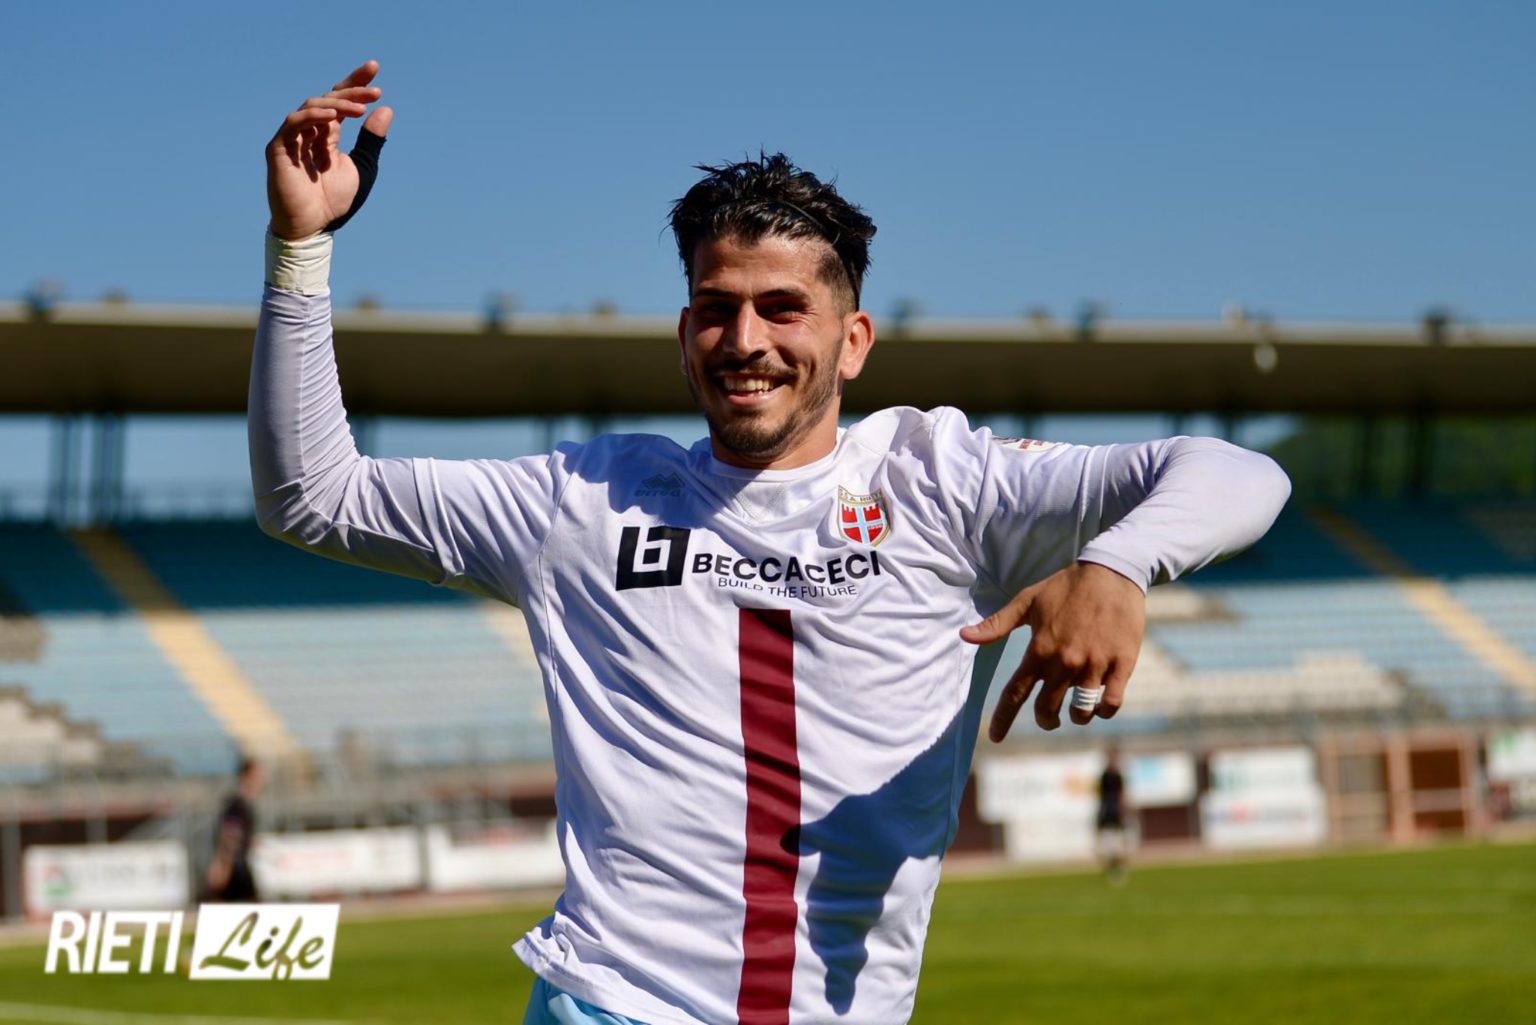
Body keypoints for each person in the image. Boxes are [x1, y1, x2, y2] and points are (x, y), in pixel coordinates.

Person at [251, 61, 1291, 1025]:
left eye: (782, 308)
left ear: (853, 341)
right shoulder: (586, 501)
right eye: (716, 309)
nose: (745, 341)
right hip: (615, 1002)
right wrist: (301, 248)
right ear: (684, 335)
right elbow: (311, 494)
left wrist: (1118, 563)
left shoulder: (944, 480)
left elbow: (1240, 472)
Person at [203, 756, 264, 903]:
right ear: (247, 776)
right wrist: (223, 866)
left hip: (238, 864)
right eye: (258, 775)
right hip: (235, 867)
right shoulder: (238, 805)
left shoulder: (245, 804)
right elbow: (230, 835)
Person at [1096, 746, 1131, 885]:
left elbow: (1122, 795)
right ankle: (1112, 870)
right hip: (1107, 813)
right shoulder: (1104, 776)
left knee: (1119, 845)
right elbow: (1101, 796)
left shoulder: (1118, 776)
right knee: (1108, 846)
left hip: (1116, 814)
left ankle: (1119, 870)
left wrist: (1123, 810)